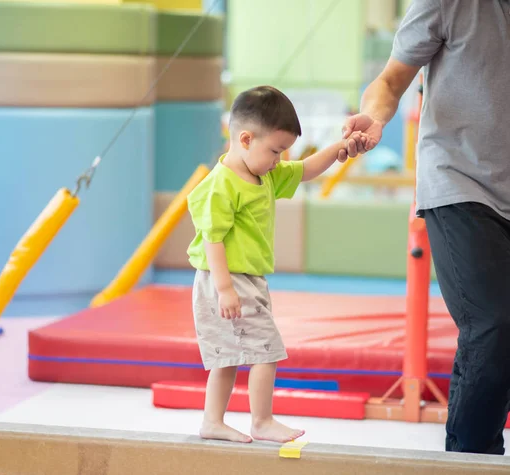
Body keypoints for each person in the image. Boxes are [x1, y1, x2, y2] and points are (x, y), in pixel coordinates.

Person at [339, 0, 510, 455]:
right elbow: (392, 79)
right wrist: (374, 118)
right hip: (460, 181)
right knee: (493, 322)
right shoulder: (446, 3)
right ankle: (471, 459)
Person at [186, 85, 368, 444]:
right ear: (245, 139)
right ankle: (262, 420)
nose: (279, 159)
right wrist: (224, 289)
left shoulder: (265, 174)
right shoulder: (221, 185)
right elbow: (212, 238)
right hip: (224, 279)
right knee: (265, 351)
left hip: (246, 280)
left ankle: (212, 422)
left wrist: (338, 148)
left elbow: (305, 170)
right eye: (274, 150)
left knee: (228, 358)